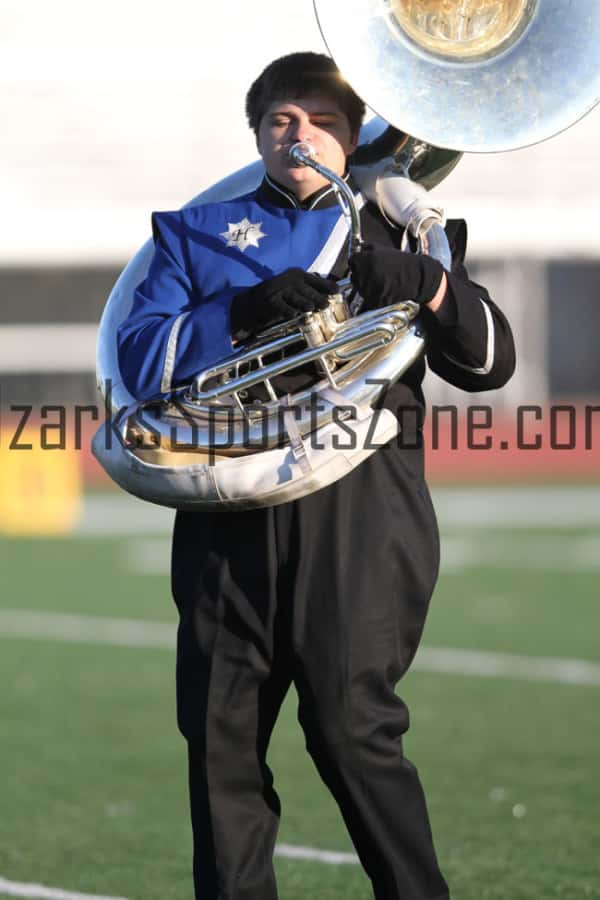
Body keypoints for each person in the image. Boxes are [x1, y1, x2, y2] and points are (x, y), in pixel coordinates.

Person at [117, 52, 515, 900]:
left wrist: (427, 285)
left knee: (349, 728)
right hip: (228, 508)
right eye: (281, 121)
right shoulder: (197, 233)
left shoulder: (406, 230)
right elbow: (140, 357)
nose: (300, 136)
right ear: (259, 135)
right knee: (221, 742)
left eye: (323, 121)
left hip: (362, 511)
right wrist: (242, 313)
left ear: (354, 134)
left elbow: (488, 362)